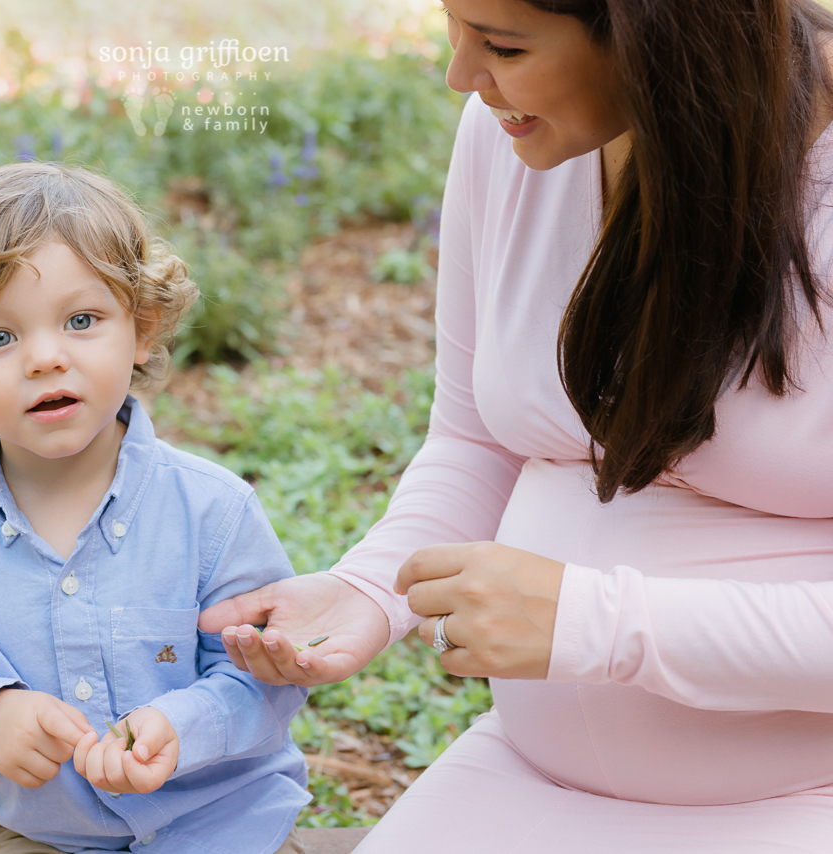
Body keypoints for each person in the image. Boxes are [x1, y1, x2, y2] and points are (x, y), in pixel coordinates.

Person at [199, 0, 833, 850]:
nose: (460, 74)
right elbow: (477, 437)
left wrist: (595, 625)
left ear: (662, 34)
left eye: (501, 44)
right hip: (527, 777)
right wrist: (372, 588)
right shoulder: (514, 137)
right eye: (455, 26)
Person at [0, 162, 310, 854]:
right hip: (42, 832)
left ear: (143, 328)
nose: (44, 358)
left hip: (221, 823)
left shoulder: (214, 512)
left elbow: (268, 675)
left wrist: (182, 725)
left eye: (82, 320)